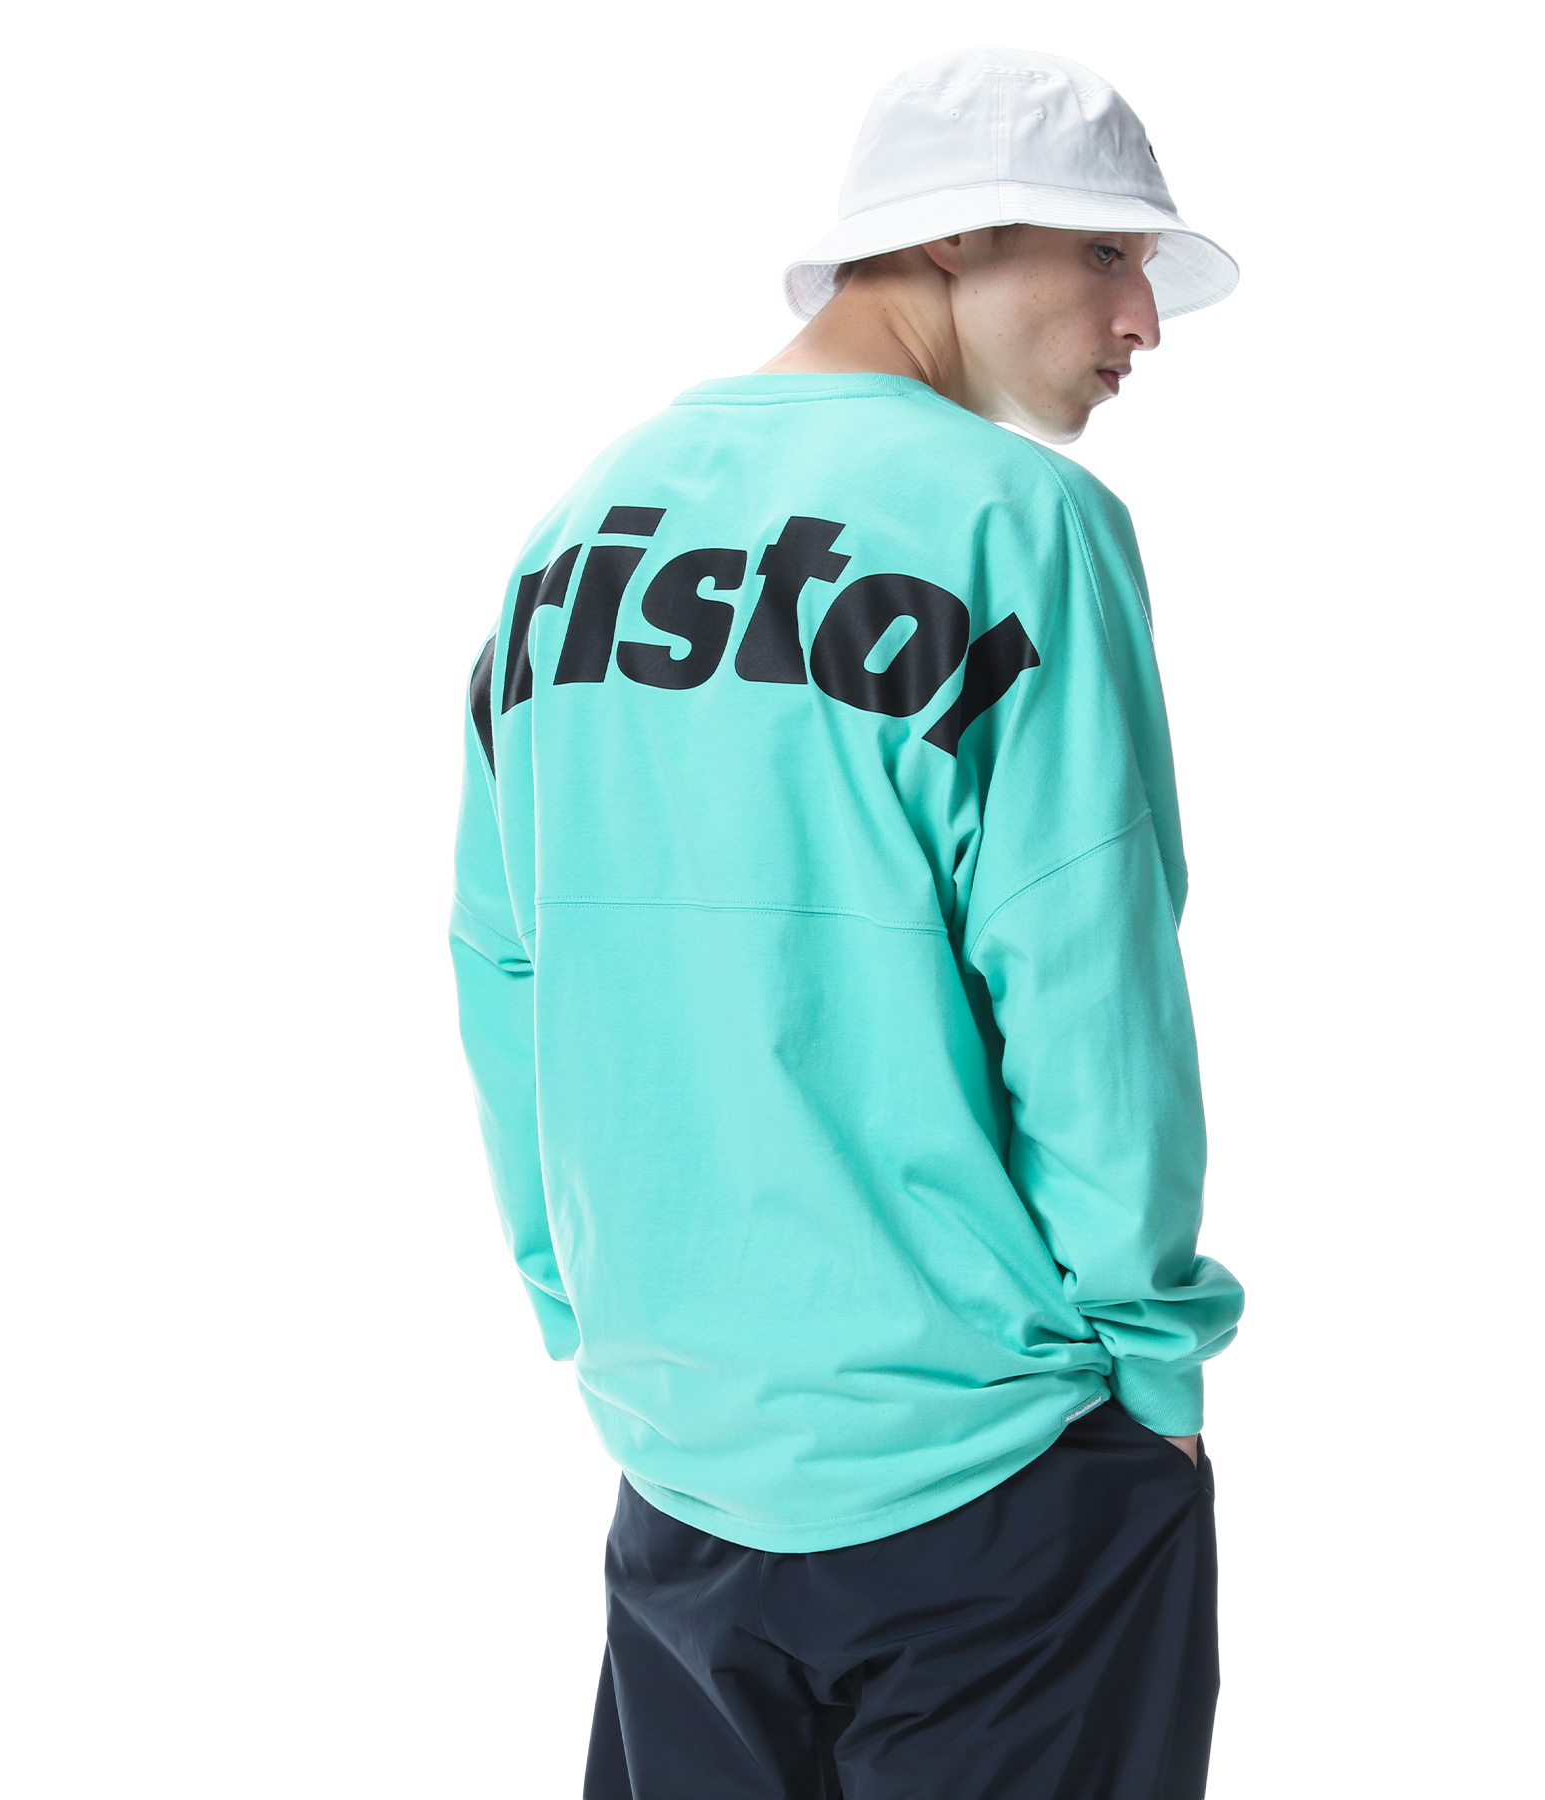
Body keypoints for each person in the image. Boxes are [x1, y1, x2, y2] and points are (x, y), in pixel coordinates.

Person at [449, 45, 1246, 1800]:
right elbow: (1086, 986)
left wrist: (592, 1314)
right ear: (954, 239)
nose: (1143, 319)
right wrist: (1152, 1371)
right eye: (1106, 254)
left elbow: (506, 962)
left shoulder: (575, 534)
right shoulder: (1023, 523)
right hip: (999, 1471)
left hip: (687, 1471)